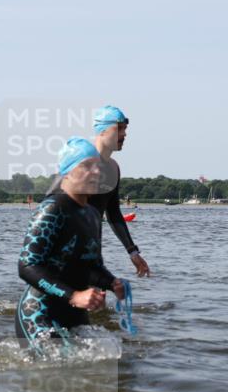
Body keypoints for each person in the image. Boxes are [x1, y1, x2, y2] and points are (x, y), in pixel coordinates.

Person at [16, 137, 126, 352]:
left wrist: (111, 282)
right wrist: (74, 296)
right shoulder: (51, 210)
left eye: (97, 166)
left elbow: (91, 266)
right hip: (40, 312)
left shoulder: (93, 215)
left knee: (105, 366)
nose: (96, 172)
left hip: (75, 310)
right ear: (66, 171)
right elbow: (27, 266)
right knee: (60, 374)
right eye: (86, 166)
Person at [46, 105, 150, 277]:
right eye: (119, 129)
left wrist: (133, 252)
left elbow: (114, 214)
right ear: (101, 131)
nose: (124, 134)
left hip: (92, 254)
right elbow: (50, 203)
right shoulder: (81, 162)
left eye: (125, 129)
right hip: (63, 255)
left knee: (98, 299)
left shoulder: (113, 169)